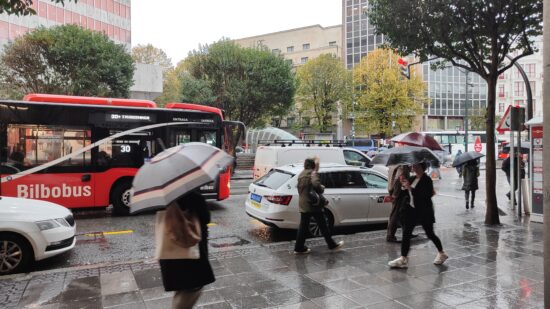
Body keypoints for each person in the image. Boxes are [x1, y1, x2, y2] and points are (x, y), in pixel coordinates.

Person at [159, 192, 215, 309]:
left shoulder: (166, 197)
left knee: (181, 289)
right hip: (191, 254)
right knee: (192, 289)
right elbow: (205, 218)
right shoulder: (194, 197)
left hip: (173, 254)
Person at [388, 162, 448, 268]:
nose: (413, 167)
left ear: (421, 167)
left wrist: (410, 188)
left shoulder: (427, 180)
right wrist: (403, 184)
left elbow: (425, 195)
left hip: (424, 212)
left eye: (415, 166)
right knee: (406, 234)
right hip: (412, 211)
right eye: (413, 166)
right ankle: (403, 258)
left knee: (430, 234)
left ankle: (442, 253)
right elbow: (406, 193)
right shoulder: (412, 178)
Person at [294, 156, 344, 254]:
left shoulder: (301, 174)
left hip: (303, 203)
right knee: (323, 225)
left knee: (303, 226)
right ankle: (331, 244)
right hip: (313, 205)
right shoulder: (312, 173)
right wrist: (321, 188)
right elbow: (316, 185)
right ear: (312, 165)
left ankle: (299, 247)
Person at [386, 165, 411, 242]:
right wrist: (395, 194)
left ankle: (407, 232)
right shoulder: (402, 165)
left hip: (394, 190)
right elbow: (398, 179)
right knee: (395, 214)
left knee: (405, 213)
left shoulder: (393, 165)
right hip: (399, 193)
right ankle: (390, 236)